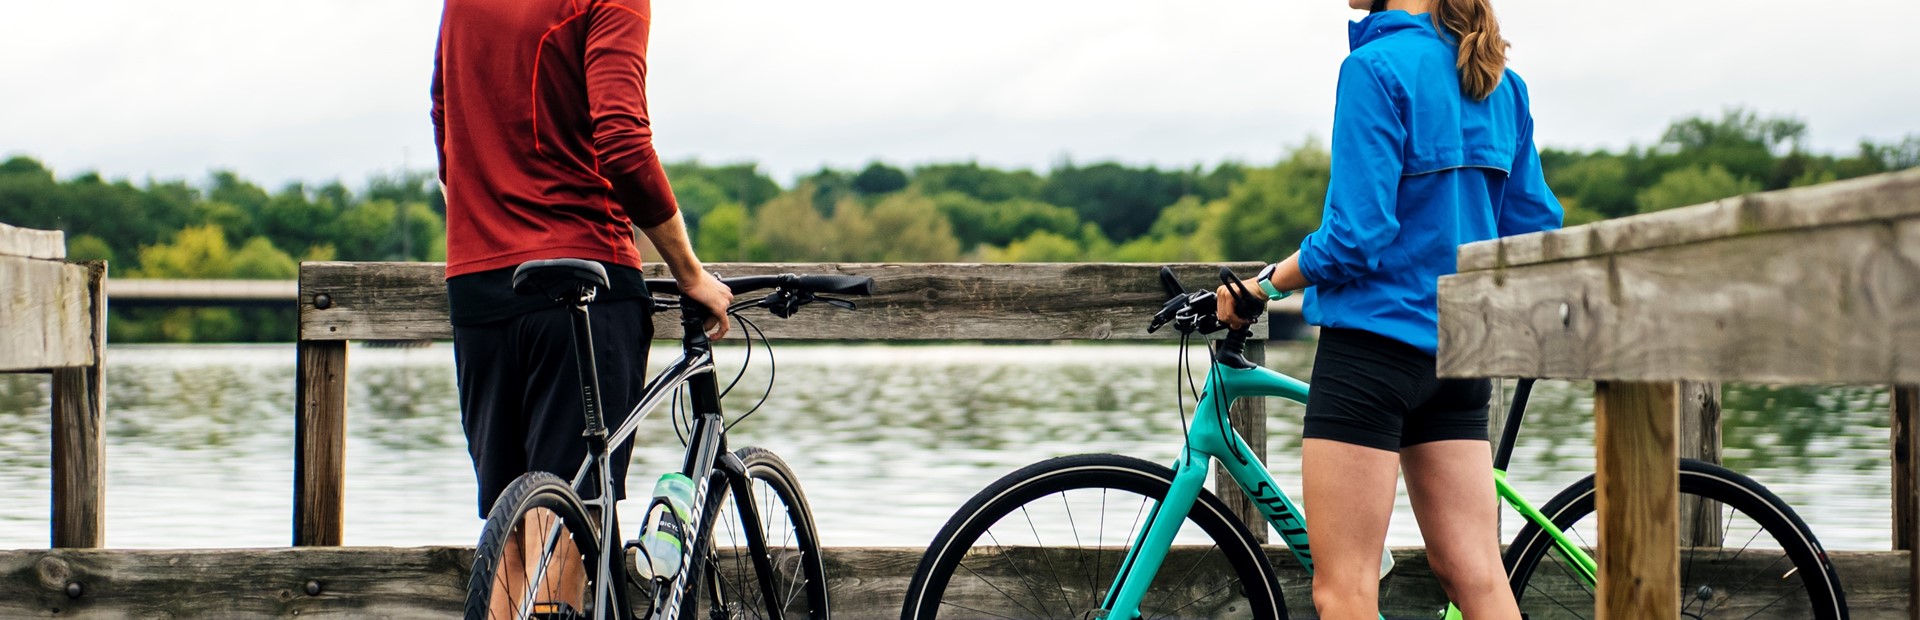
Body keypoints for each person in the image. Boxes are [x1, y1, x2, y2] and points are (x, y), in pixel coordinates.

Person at [1218, 0, 1561, 618]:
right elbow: (1534, 227)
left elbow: (1356, 236)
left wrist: (1264, 285)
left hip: (1372, 354)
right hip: (1460, 355)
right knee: (1479, 578)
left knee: (1344, 588)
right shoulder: (1500, 82)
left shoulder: (1374, 68)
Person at [432, 0, 732, 612]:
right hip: (585, 279)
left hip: (480, 285)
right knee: (564, 527)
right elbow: (622, 140)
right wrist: (690, 272)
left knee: (512, 526)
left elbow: (443, 114)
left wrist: (488, 215)